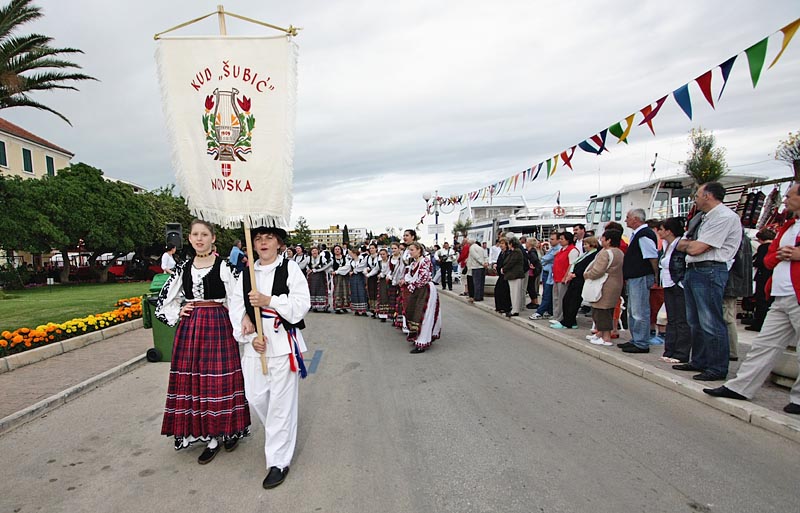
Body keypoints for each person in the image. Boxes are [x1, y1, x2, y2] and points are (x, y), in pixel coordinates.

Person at [155, 219, 250, 464]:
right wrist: (179, 310)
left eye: (204, 234)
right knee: (195, 381)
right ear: (189, 238)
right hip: (191, 328)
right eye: (195, 234)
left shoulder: (224, 266)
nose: (199, 239)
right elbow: (165, 298)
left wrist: (243, 322)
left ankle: (228, 430)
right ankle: (210, 436)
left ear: (213, 238)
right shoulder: (184, 267)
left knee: (221, 380)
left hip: (218, 325)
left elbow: (237, 298)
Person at [703, 183, 800, 415]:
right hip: (780, 292)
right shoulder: (789, 225)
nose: (785, 199)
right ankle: (741, 387)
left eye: (789, 195)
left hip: (796, 293)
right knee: (764, 344)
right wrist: (780, 255)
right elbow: (768, 259)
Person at [228, 225, 311, 489]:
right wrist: (249, 335)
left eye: (269, 238)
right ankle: (279, 433)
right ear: (253, 245)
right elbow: (236, 307)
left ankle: (278, 461)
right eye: (258, 239)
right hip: (257, 346)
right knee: (256, 397)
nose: (263, 242)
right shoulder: (246, 274)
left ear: (279, 243)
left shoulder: (290, 268)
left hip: (283, 345)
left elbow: (301, 305)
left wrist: (269, 300)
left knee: (281, 406)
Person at [674, 182, 742, 381]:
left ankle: (717, 367)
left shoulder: (724, 217)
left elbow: (696, 248)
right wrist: (688, 245)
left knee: (710, 321)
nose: (695, 199)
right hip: (694, 270)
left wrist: (688, 245)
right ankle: (699, 360)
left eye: (697, 195)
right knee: (695, 321)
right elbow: (682, 244)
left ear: (708, 196)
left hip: (710, 270)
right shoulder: (704, 217)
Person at [617, 209, 659, 354]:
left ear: (636, 219)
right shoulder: (637, 234)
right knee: (633, 310)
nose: (626, 220)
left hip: (640, 276)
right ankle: (636, 339)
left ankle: (641, 342)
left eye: (628, 217)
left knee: (639, 310)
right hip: (634, 277)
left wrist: (655, 275)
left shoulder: (644, 234)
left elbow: (652, 256)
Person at [655, 218, 691, 363]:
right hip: (668, 284)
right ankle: (669, 350)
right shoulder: (666, 245)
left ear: (669, 231)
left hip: (678, 284)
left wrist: (680, 282)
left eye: (661, 229)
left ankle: (681, 353)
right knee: (671, 319)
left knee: (681, 319)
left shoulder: (680, 244)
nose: (659, 232)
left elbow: (684, 264)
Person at [584, 230, 624, 345]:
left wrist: (587, 275)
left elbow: (598, 270)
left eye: (603, 238)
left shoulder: (605, 253)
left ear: (609, 240)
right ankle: (600, 334)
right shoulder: (619, 252)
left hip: (604, 284)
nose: (600, 240)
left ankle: (606, 337)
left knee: (601, 311)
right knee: (609, 310)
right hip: (615, 284)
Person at [401, 242, 442, 353]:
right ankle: (417, 337)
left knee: (424, 315)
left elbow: (424, 278)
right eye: (409, 250)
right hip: (417, 290)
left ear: (419, 250)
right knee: (414, 312)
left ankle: (422, 342)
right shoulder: (414, 263)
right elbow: (409, 275)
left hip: (426, 290)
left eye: (412, 250)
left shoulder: (425, 261)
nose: (410, 252)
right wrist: (407, 281)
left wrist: (412, 285)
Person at [554, 236, 598, 329]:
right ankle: (571, 321)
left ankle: (568, 322)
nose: (584, 246)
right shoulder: (586, 254)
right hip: (575, 279)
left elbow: (587, 267)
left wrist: (575, 274)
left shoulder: (594, 255)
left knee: (572, 302)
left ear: (592, 244)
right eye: (584, 244)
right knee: (567, 300)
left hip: (580, 279)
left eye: (586, 244)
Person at [723, 229, 754, 361]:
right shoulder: (743, 238)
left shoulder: (737, 237)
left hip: (730, 283)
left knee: (727, 316)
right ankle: (731, 350)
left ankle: (731, 350)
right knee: (728, 315)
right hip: (733, 283)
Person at [748, 228, 776, 331]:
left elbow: (760, 262)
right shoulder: (775, 247)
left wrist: (753, 263)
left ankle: (758, 323)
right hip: (772, 275)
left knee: (761, 300)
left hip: (762, 275)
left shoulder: (763, 247)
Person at [550, 232, 579, 325]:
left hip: (563, 277)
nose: (560, 241)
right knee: (556, 298)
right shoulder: (561, 250)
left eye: (562, 239)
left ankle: (560, 317)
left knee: (562, 298)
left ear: (568, 240)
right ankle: (555, 315)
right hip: (556, 276)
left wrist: (565, 277)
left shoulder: (572, 250)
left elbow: (571, 265)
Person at [530, 233, 560, 320]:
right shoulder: (552, 249)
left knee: (547, 293)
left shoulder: (558, 249)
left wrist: (544, 260)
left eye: (553, 239)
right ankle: (549, 311)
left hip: (550, 273)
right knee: (547, 293)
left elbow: (546, 258)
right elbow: (544, 259)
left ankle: (540, 311)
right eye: (550, 239)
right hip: (546, 271)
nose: (550, 241)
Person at [503, 236, 526, 317]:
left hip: (515, 275)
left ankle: (515, 310)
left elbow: (511, 263)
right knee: (513, 293)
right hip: (512, 275)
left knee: (515, 293)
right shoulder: (514, 251)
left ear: (511, 244)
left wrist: (504, 269)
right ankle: (514, 309)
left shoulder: (517, 252)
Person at [307, 246, 332, 312]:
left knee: (321, 289)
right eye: (313, 251)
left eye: (315, 251)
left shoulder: (322, 258)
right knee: (313, 290)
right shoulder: (309, 258)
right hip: (312, 277)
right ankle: (314, 305)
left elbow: (327, 265)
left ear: (318, 251)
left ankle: (323, 305)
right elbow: (306, 265)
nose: (314, 252)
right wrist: (308, 269)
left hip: (321, 276)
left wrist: (319, 270)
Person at [466, 236, 489, 302]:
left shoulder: (472, 248)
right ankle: (481, 296)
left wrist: (482, 263)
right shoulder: (480, 248)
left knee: (476, 283)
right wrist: (485, 263)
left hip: (476, 267)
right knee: (481, 283)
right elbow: (485, 256)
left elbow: (476, 257)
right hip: (482, 267)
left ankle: (477, 297)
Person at [349, 246, 369, 316]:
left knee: (361, 292)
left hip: (360, 277)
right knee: (354, 293)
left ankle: (363, 310)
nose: (350, 255)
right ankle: (356, 310)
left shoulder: (361, 260)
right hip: (353, 278)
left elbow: (362, 268)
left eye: (351, 253)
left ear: (354, 253)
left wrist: (354, 271)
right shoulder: (351, 261)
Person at [493, 239, 512, 314]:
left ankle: (505, 307)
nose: (501, 245)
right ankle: (499, 306)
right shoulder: (501, 253)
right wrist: (496, 265)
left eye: (503, 243)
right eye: (500, 243)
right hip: (501, 274)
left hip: (505, 274)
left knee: (504, 291)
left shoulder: (508, 253)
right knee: (498, 290)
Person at [331, 245, 351, 314]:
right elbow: (329, 267)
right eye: (336, 249)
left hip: (345, 276)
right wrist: (332, 271)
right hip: (336, 277)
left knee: (345, 290)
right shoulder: (332, 259)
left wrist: (338, 271)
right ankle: (338, 307)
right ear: (333, 251)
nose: (337, 250)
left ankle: (345, 306)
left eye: (338, 249)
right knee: (337, 290)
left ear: (341, 250)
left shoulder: (345, 258)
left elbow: (348, 266)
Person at [525, 237, 542, 309]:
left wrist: (532, 265)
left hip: (532, 272)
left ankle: (535, 302)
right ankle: (533, 301)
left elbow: (535, 260)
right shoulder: (531, 251)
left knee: (531, 287)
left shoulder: (532, 252)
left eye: (527, 242)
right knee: (531, 286)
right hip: (532, 271)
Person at [365, 243, 381, 317]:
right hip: (370, 277)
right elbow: (365, 265)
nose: (371, 249)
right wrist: (366, 269)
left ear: (376, 249)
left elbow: (377, 268)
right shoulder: (368, 257)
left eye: (373, 248)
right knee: (371, 292)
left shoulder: (379, 257)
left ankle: (378, 309)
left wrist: (369, 274)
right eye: (370, 248)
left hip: (377, 276)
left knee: (377, 292)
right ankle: (373, 309)